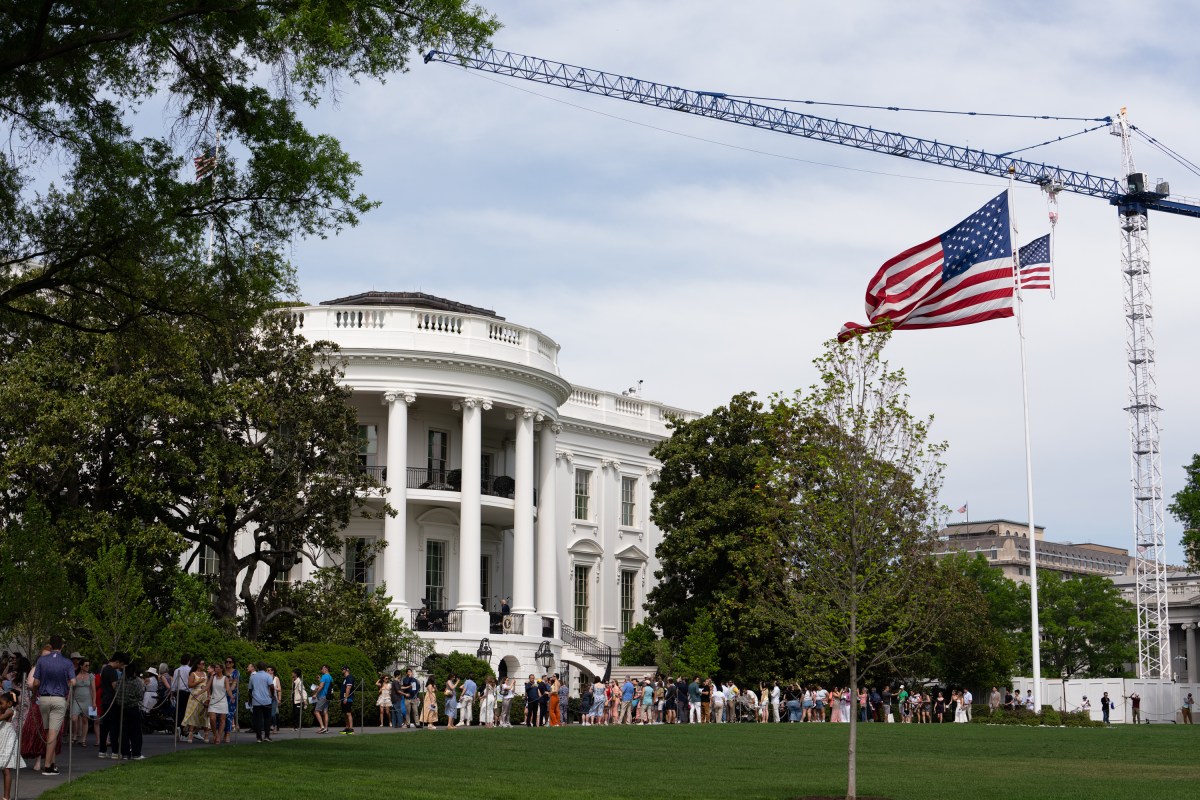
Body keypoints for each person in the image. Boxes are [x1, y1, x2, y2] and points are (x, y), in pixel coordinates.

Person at [29, 635, 74, 775]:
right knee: (53, 733)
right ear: (62, 646)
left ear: (51, 644)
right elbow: (73, 682)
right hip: (59, 698)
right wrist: (64, 685)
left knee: (48, 732)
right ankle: (48, 766)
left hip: (43, 698)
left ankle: (52, 763)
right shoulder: (67, 662)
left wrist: (35, 693)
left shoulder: (42, 660)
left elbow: (35, 682)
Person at [114, 661, 145, 760]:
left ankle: (125, 753)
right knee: (135, 732)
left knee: (124, 732)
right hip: (133, 708)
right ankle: (136, 753)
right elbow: (140, 696)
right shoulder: (136, 682)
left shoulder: (120, 681)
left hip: (121, 709)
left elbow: (116, 694)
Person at [0, 690, 26, 799]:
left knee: (6, 769)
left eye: (1, 703)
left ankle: (6, 797)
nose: (0, 705)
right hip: (2, 740)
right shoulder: (4, 711)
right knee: (3, 769)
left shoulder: (10, 711)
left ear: (10, 703)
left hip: (7, 742)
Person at [249, 661, 275, 742]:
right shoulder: (268, 676)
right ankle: (267, 736)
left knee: (258, 720)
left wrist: (250, 700)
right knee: (267, 719)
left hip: (256, 701)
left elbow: (250, 690)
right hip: (266, 700)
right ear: (265, 668)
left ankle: (258, 737)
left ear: (257, 667)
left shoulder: (253, 677)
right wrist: (272, 695)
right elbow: (272, 686)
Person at [70, 657, 93, 746]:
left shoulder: (91, 676)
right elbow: (71, 687)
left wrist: (94, 702)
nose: (88, 667)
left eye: (89, 665)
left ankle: (83, 739)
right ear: (81, 666)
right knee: (74, 718)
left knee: (85, 719)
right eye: (86, 665)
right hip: (76, 700)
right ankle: (75, 735)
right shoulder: (75, 674)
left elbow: (93, 690)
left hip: (87, 700)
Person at [207, 663, 230, 744]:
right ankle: (215, 734)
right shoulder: (212, 677)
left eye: (216, 667)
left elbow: (228, 689)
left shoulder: (225, 678)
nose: (215, 669)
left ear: (221, 669)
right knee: (212, 719)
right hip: (213, 700)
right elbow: (207, 687)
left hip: (222, 701)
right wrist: (198, 693)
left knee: (222, 719)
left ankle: (219, 737)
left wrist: (232, 696)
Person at [313, 665, 332, 733]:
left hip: (322, 696)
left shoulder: (324, 676)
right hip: (327, 696)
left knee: (316, 711)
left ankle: (322, 727)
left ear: (325, 669)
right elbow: (325, 685)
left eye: (322, 669)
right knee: (325, 712)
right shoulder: (330, 677)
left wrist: (316, 694)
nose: (321, 670)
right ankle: (326, 728)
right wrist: (320, 680)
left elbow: (321, 686)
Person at [340, 666, 357, 734]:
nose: (341, 670)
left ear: (346, 670)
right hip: (344, 698)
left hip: (348, 698)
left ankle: (351, 728)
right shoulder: (345, 678)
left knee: (348, 713)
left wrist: (346, 698)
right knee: (345, 713)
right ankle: (347, 727)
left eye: (342, 669)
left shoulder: (349, 677)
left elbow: (348, 688)